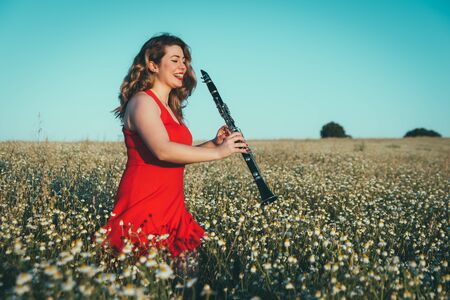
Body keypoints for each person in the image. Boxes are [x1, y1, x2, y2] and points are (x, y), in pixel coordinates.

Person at [93, 33, 248, 271]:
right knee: (144, 282)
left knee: (187, 284)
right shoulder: (142, 102)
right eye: (174, 59)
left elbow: (179, 154)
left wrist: (214, 143)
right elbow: (162, 151)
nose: (182, 66)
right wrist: (219, 154)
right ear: (153, 65)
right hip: (144, 202)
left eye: (184, 60)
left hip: (173, 205)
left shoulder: (171, 108)